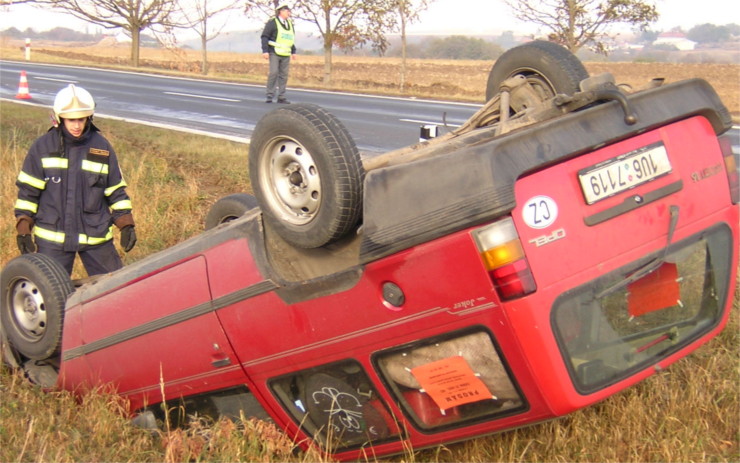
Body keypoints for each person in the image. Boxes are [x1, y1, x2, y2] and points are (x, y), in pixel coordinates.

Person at [14, 84, 137, 276]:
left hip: (95, 236)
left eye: (81, 119)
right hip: (53, 240)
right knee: (53, 296)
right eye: (71, 120)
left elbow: (115, 190)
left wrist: (126, 223)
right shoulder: (42, 147)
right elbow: (28, 192)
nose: (77, 125)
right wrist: (23, 227)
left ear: (89, 117)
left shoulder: (101, 148)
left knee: (114, 290)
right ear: (58, 118)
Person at [261, 2, 296, 104]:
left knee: (284, 75)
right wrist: (265, 50)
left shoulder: (290, 24)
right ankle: (269, 94)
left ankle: (281, 96)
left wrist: (293, 51)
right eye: (286, 11)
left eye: (289, 11)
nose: (288, 13)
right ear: (280, 11)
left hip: (286, 53)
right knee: (274, 73)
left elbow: (290, 39)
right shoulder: (272, 23)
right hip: (274, 52)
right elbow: (265, 36)